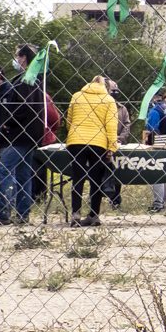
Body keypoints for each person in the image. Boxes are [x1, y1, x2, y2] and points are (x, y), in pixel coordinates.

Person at [0, 45, 45, 226]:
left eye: (17, 55)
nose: (15, 59)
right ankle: (22, 214)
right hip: (30, 135)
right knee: (23, 175)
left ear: (23, 58)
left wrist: (5, 124)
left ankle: (3, 213)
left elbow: (22, 109)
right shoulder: (34, 79)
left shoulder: (26, 80)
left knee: (4, 170)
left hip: (18, 135)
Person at [65, 75, 118, 227]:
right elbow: (111, 126)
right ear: (105, 86)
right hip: (98, 143)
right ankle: (94, 215)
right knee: (96, 180)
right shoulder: (108, 100)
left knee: (78, 178)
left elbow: (69, 119)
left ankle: (75, 214)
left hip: (76, 141)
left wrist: (74, 133)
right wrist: (112, 147)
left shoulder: (77, 96)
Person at [105, 80, 132, 210]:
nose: (114, 93)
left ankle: (116, 199)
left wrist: (120, 137)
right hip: (102, 143)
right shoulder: (100, 105)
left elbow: (127, 124)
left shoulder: (122, 108)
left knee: (117, 172)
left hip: (119, 144)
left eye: (116, 91)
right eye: (112, 90)